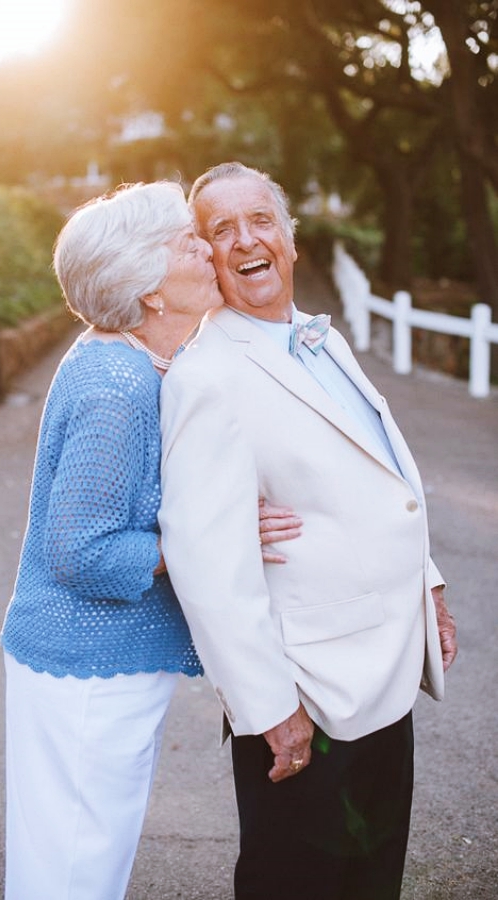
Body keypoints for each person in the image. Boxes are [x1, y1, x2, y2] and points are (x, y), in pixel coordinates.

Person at [158, 162, 458, 900]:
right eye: (220, 230)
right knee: (296, 880)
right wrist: (270, 710)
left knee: (374, 873)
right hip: (308, 696)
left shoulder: (320, 338)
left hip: (386, 671)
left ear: (289, 239)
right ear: (205, 255)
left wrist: (431, 587)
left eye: (260, 219)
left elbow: (379, 478)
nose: (245, 240)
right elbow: (209, 570)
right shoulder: (206, 378)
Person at [0, 180, 302, 900]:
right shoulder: (118, 383)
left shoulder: (139, 361)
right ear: (148, 288)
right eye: (185, 242)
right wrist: (210, 536)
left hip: (99, 668)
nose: (207, 248)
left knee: (81, 862)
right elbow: (79, 549)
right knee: (72, 870)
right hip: (87, 670)